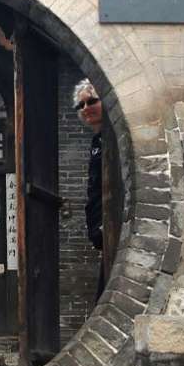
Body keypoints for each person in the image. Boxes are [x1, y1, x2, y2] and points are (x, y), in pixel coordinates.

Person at [75, 79, 120, 298]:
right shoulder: (98, 141)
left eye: (91, 101)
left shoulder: (113, 140)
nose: (86, 109)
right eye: (81, 105)